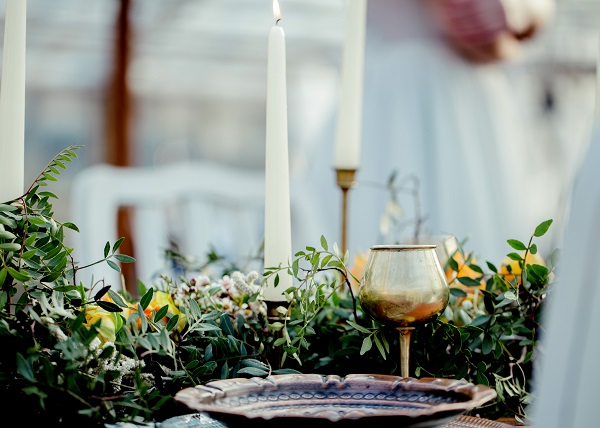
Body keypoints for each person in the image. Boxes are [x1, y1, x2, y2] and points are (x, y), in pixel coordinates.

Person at [343, 0, 562, 264]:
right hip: (410, 98)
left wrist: (517, 15)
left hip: (471, 102)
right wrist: (510, 23)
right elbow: (480, 32)